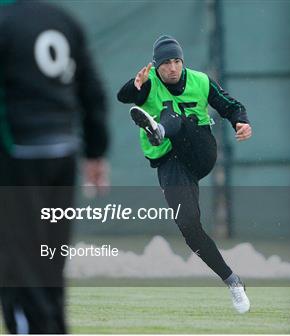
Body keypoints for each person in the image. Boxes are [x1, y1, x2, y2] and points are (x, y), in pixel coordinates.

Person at [117, 35, 252, 313]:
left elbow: (231, 105)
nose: (173, 67)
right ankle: (233, 281)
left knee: (173, 115)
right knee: (188, 226)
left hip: (199, 150)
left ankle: (159, 130)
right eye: (166, 62)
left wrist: (242, 122)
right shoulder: (150, 81)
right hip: (171, 161)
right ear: (156, 66)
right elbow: (125, 96)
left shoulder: (200, 80)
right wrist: (136, 85)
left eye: (177, 61)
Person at [0, 1, 109, 333]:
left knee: (18, 264)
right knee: (49, 259)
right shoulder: (62, 20)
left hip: (17, 153)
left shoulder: (4, 22)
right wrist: (96, 152)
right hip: (63, 153)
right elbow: (92, 91)